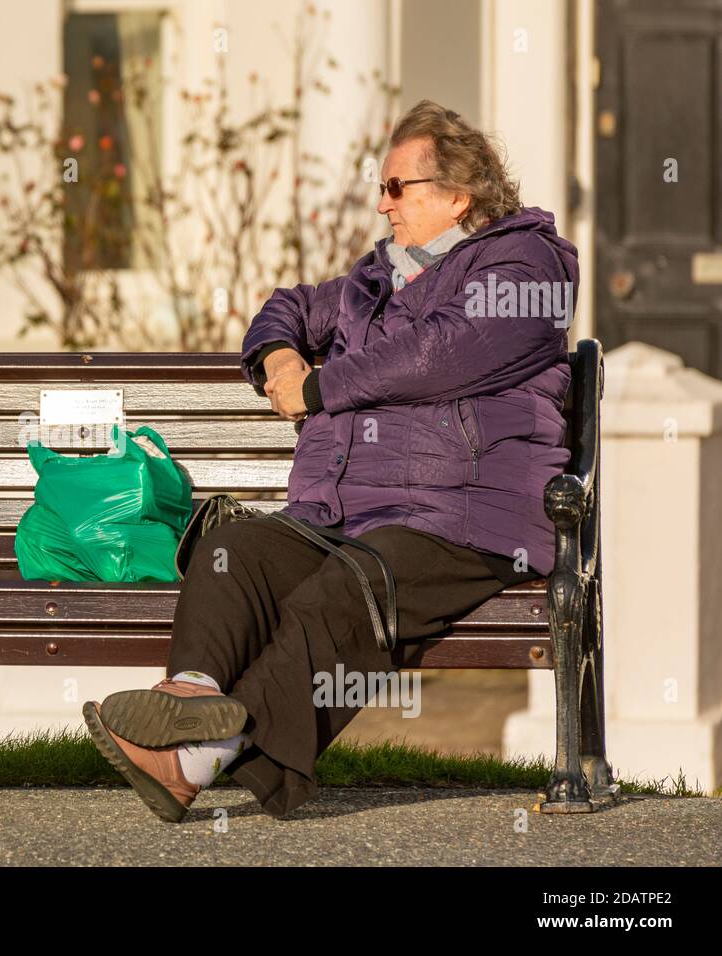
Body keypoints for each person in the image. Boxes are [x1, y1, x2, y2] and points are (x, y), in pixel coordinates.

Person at [84, 99, 578, 823]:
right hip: (348, 509)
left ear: (458, 195)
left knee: (349, 587)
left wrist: (318, 386)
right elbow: (284, 306)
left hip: (465, 516)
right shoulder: (379, 276)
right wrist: (280, 355)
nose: (382, 205)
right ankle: (189, 698)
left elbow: (438, 354)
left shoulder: (526, 266)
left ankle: (193, 759)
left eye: (397, 188)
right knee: (235, 549)